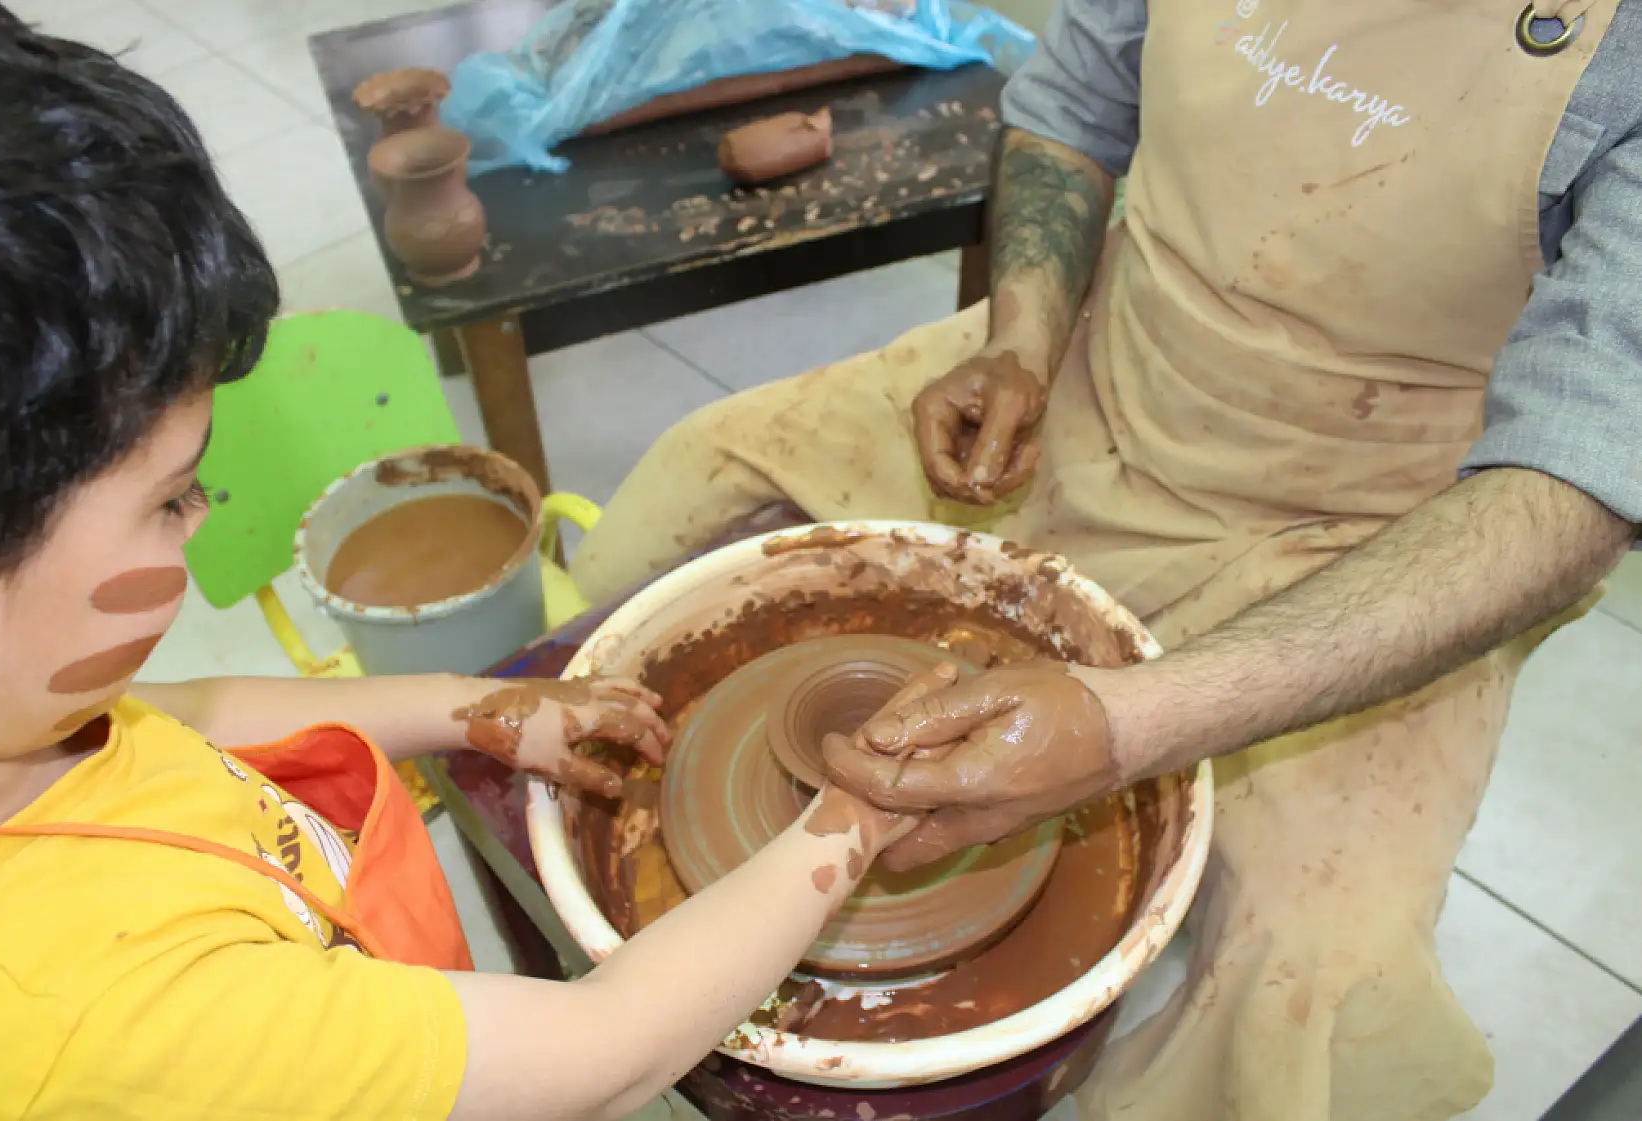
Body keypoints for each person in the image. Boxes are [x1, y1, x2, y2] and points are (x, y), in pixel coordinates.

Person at [570, 0, 1642, 1117]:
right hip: (1102, 360)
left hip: (1374, 520)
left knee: (1321, 975)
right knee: (700, 480)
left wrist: (1123, 725)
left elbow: (1572, 491)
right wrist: (1020, 342)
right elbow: (1069, 112)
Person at [0, 8, 917, 1120]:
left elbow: (193, 714)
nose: (200, 512)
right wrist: (859, 816)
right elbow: (605, 1051)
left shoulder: (11, 723)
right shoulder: (88, 1011)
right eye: (170, 495)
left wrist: (480, 710)